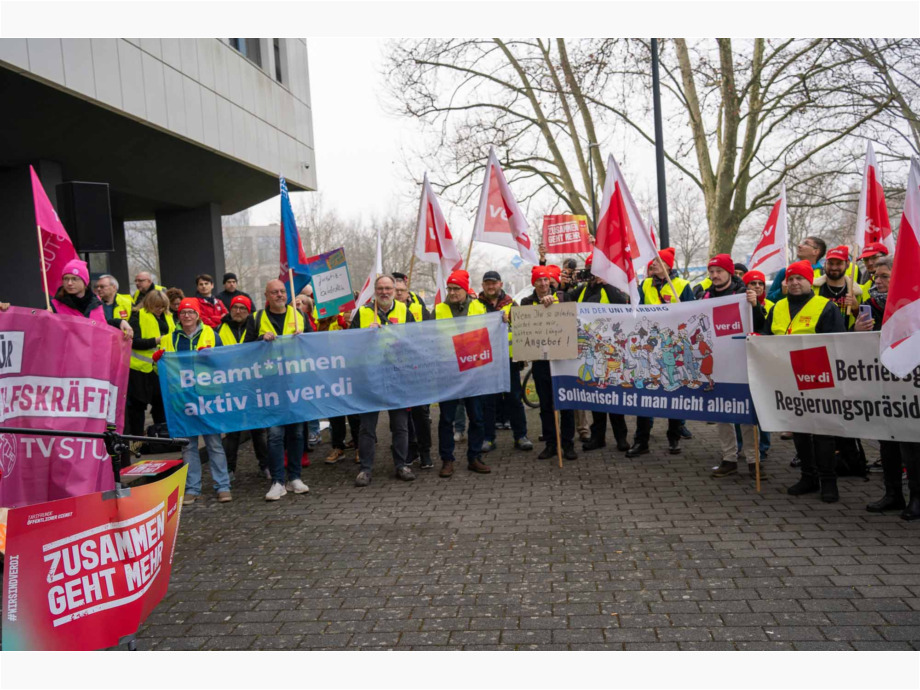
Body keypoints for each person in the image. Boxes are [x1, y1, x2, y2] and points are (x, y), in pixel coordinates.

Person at [761, 260, 846, 502]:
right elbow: (767, 337)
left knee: (822, 433)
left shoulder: (825, 307)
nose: (795, 283)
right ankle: (808, 477)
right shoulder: (777, 307)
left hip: (818, 377)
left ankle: (828, 481)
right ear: (785, 283)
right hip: (787, 377)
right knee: (799, 430)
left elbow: (837, 344)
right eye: (791, 279)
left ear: (810, 282)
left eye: (800, 278)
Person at [851, 256, 920, 520]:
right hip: (881, 383)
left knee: (911, 443)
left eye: (884, 276)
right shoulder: (870, 304)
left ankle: (916, 497)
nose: (876, 280)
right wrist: (857, 329)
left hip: (910, 385)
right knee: (887, 440)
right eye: (875, 276)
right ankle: (893, 494)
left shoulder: (913, 306)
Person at [154, 298, 231, 504]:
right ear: (178, 316)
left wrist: (212, 358)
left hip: (207, 397)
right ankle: (192, 488)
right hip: (182, 399)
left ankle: (223, 486)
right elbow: (161, 371)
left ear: (198, 315)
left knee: (214, 443)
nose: (186, 315)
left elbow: (223, 364)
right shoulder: (169, 339)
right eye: (183, 312)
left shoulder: (211, 335)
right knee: (188, 446)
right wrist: (157, 361)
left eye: (190, 312)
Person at [350, 274, 417, 486]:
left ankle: (401, 465)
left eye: (388, 288)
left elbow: (415, 340)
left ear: (394, 290)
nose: (384, 292)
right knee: (367, 427)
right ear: (375, 291)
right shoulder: (362, 313)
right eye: (380, 289)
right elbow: (349, 345)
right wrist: (364, 336)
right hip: (371, 377)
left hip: (398, 376)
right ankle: (366, 469)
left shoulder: (405, 311)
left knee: (400, 425)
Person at [628, 249, 692, 458]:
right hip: (648, 350)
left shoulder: (681, 286)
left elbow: (692, 314)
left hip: (671, 349)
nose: (653, 264)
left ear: (668, 266)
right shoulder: (645, 284)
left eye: (658, 261)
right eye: (653, 260)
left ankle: (674, 437)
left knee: (673, 393)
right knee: (646, 396)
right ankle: (641, 441)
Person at [699, 255, 758, 479]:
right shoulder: (704, 295)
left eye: (719, 271)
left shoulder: (743, 294)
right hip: (717, 363)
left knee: (745, 413)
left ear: (729, 272)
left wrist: (754, 305)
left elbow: (760, 322)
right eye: (711, 271)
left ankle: (754, 461)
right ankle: (729, 458)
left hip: (742, 361)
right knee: (722, 413)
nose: (714, 275)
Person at [570, 256, 631, 453]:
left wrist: (608, 283)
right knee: (596, 398)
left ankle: (621, 438)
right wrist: (560, 286)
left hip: (610, 351)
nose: (593, 274)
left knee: (613, 398)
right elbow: (565, 301)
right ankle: (598, 437)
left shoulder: (612, 288)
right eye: (590, 269)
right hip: (590, 350)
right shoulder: (584, 290)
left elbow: (623, 304)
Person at [434, 269, 492, 476]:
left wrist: (502, 322)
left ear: (465, 289)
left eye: (456, 288)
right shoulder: (439, 309)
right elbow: (430, 336)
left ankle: (474, 457)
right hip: (448, 371)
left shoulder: (479, 307)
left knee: (476, 417)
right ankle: (447, 460)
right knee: (446, 419)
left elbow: (490, 332)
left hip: (473, 371)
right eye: (449, 288)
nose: (451, 292)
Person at [257, 279, 310, 501]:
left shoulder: (300, 315)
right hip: (270, 384)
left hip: (295, 382)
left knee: (297, 433)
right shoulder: (257, 318)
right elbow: (245, 348)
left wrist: (303, 339)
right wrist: (261, 339)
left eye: (282, 291)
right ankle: (278, 481)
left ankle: (295, 477)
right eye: (275, 292)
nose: (279, 295)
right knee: (276, 435)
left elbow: (313, 345)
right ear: (266, 296)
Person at [521, 266, 578, 461]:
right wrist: (540, 306)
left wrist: (554, 303)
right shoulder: (526, 302)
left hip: (563, 360)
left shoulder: (563, 297)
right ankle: (551, 443)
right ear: (534, 283)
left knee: (567, 403)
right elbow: (524, 322)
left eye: (546, 280)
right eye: (539, 281)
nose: (543, 284)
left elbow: (572, 317)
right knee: (546, 405)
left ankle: (568, 444)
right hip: (541, 361)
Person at [477, 270, 533, 454]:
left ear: (500, 284)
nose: (491, 286)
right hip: (486, 360)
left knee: (514, 399)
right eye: (487, 284)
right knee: (488, 401)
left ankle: (521, 436)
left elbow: (524, 329)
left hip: (509, 360)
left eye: (494, 283)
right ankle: (488, 438)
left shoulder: (511, 304)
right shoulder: (476, 305)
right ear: (483, 286)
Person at [217, 295, 268, 479]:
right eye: (235, 308)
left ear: (249, 311)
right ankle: (230, 469)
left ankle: (265, 466)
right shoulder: (220, 328)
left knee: (259, 429)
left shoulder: (255, 327)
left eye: (242, 308)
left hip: (253, 384)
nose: (238, 311)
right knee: (232, 431)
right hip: (230, 386)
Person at [394, 276, 434, 467]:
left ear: (407, 291)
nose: (398, 293)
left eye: (401, 290)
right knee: (403, 414)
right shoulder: (383, 312)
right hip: (397, 370)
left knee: (421, 412)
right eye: (395, 290)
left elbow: (429, 333)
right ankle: (410, 448)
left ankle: (425, 451)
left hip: (418, 369)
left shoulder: (418, 310)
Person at [126, 290, 173, 441]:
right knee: (138, 407)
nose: (160, 310)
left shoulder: (169, 317)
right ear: (149, 304)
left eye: (163, 307)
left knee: (160, 404)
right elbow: (133, 341)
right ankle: (137, 439)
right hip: (139, 369)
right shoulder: (137, 316)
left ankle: (162, 437)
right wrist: (157, 340)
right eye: (157, 307)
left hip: (161, 369)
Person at [52, 259, 133, 339]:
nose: (69, 283)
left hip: (95, 351)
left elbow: (103, 324)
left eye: (74, 279)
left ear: (85, 281)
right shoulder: (54, 306)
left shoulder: (96, 302)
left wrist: (120, 322)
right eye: (66, 279)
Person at [766, 236, 826, 302]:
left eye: (806, 243)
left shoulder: (824, 274)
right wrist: (782, 292)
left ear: (816, 251)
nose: (799, 245)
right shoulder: (785, 271)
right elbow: (769, 300)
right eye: (791, 279)